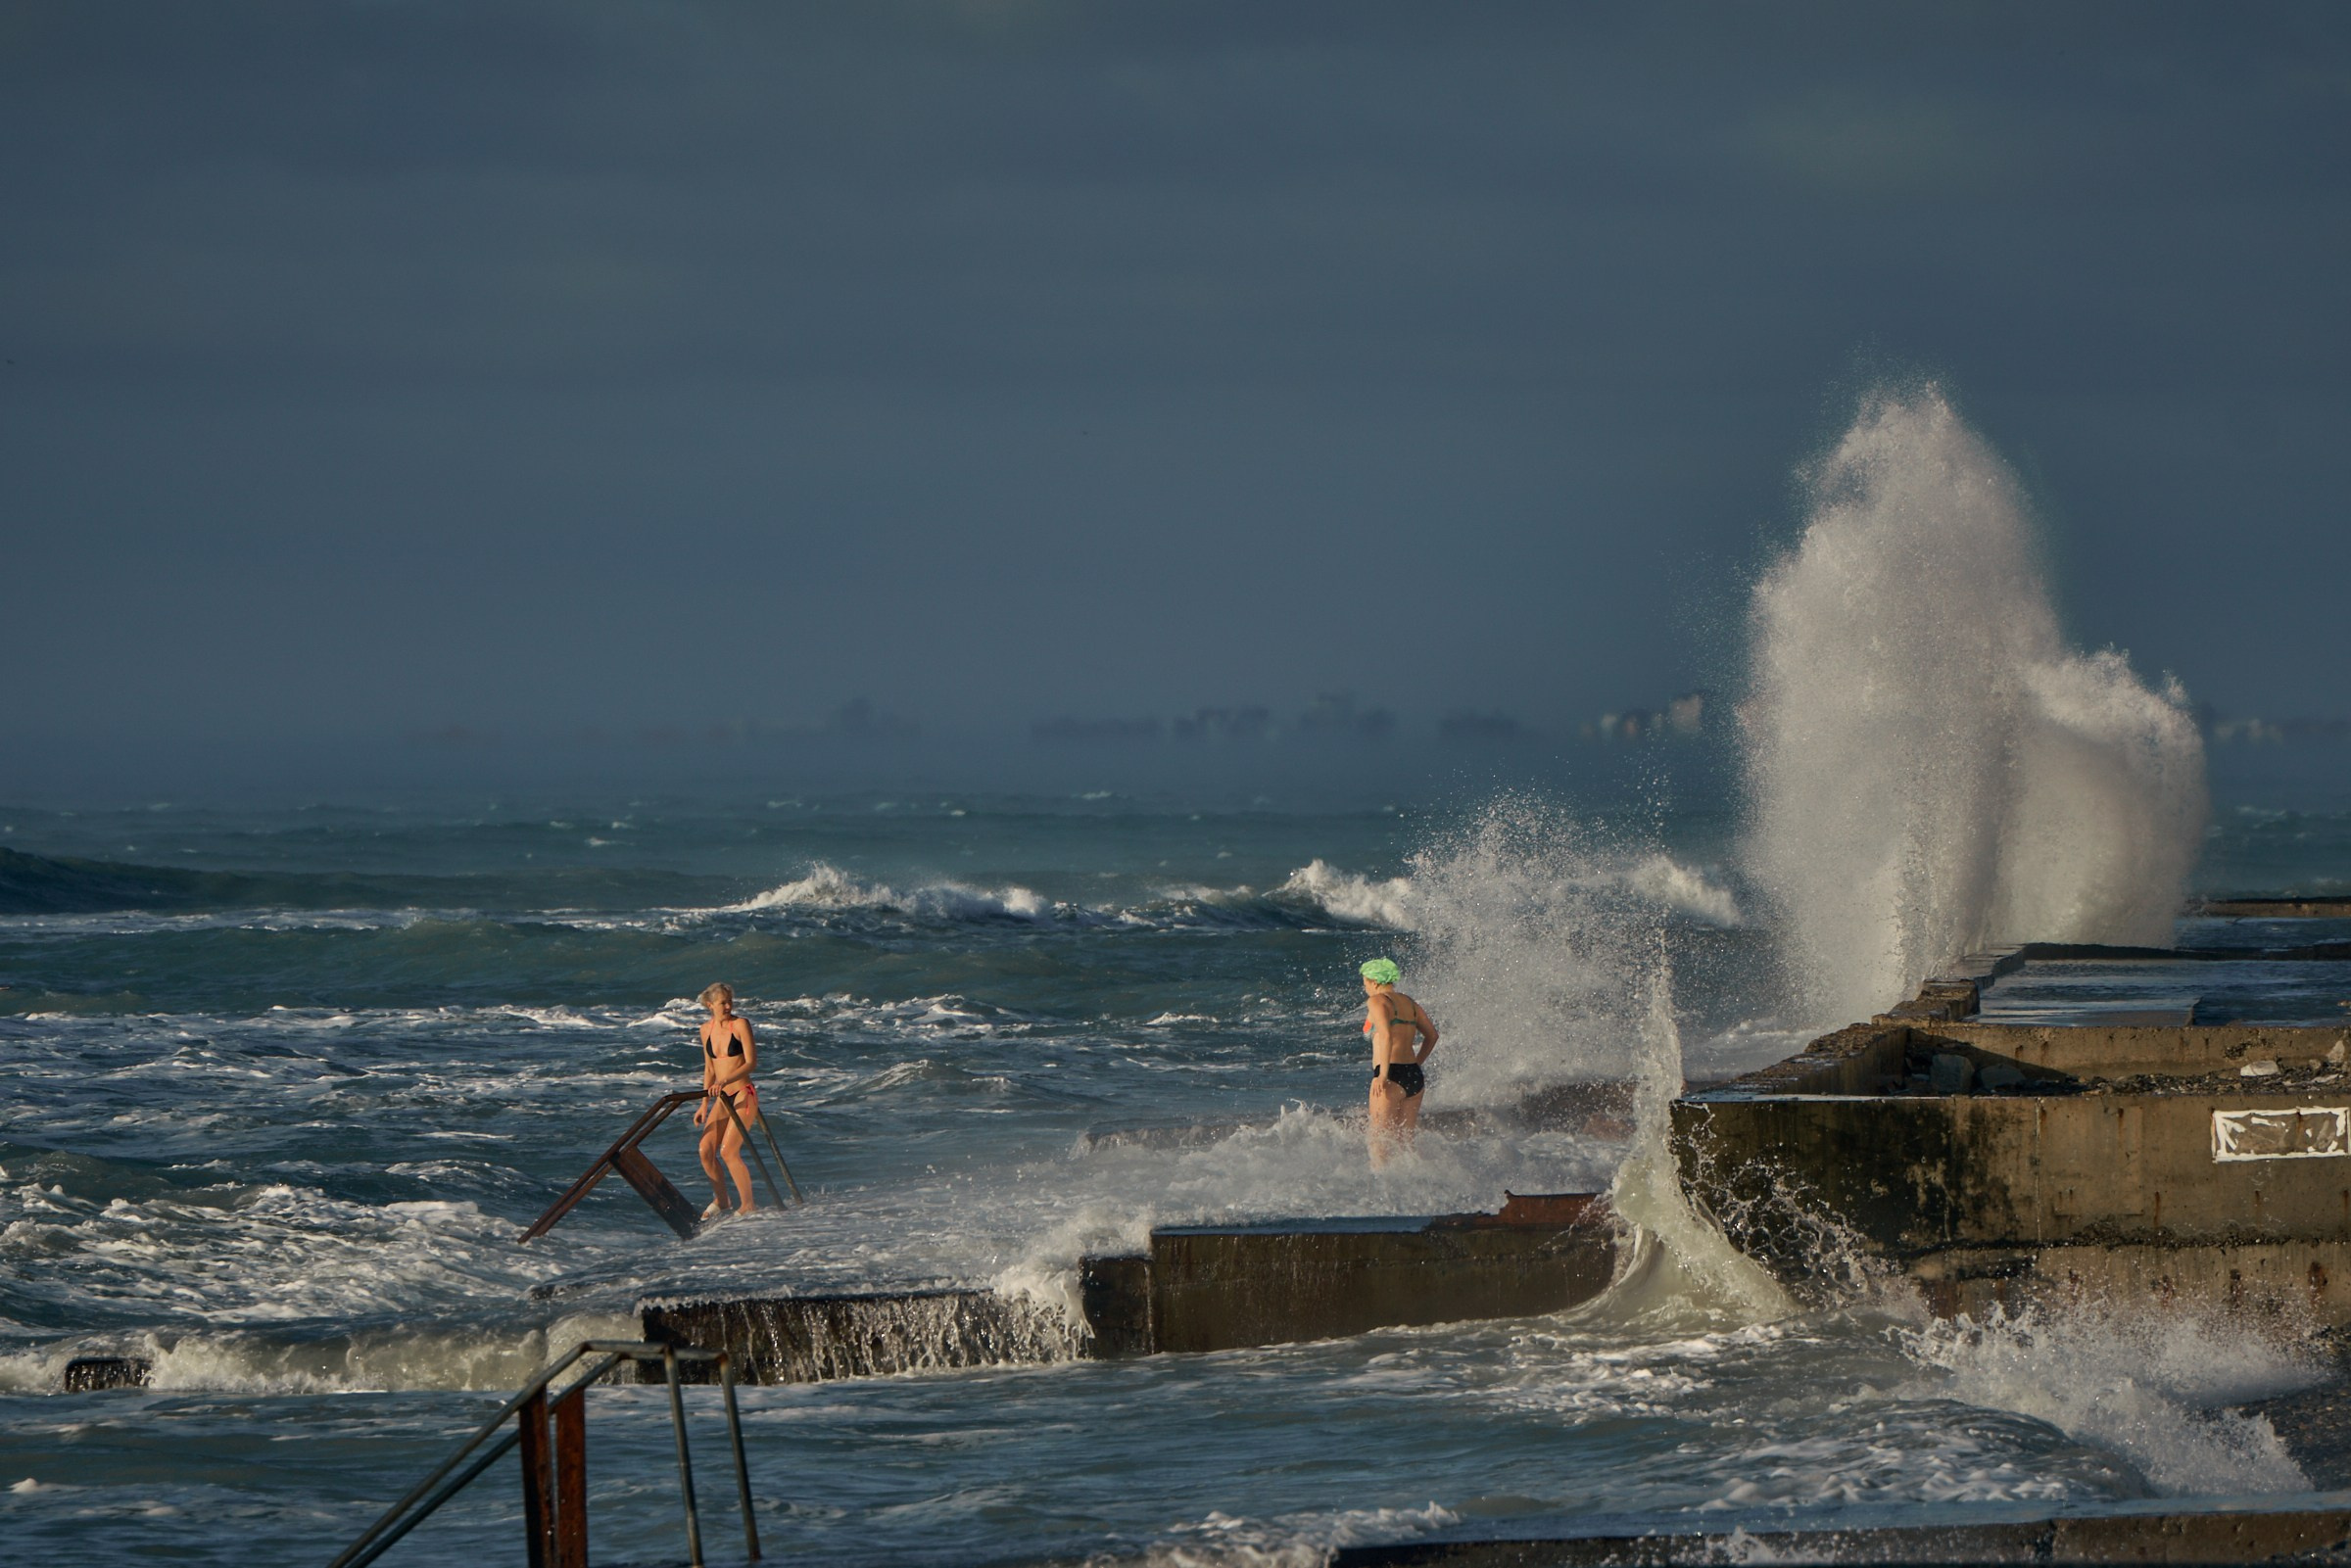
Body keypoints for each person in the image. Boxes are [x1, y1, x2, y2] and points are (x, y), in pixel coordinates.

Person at [1361, 957, 1436, 1165]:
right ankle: (1412, 1181)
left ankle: (1380, 1184)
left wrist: (1383, 1075)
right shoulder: (1409, 1003)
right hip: (1414, 1076)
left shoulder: (1377, 1001)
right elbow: (1432, 1035)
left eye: (1365, 982)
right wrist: (1417, 1063)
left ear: (1375, 982)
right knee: (1405, 1145)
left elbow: (1386, 1036)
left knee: (1379, 1143)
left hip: (1390, 1076)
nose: (1365, 988)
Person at [694, 981, 760, 1217]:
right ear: (710, 1005)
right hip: (721, 1098)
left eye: (730, 1001)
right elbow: (709, 1068)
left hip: (743, 1093)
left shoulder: (740, 1025)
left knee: (728, 1152)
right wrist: (703, 1104)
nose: (728, 1006)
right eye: (723, 1003)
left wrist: (724, 1080)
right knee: (705, 1150)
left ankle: (748, 1205)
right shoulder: (705, 1030)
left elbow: (751, 1063)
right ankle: (722, 1200)